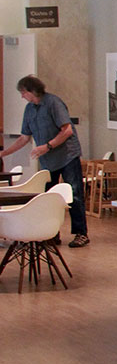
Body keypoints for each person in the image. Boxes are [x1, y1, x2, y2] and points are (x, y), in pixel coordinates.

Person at [0, 75, 89, 247]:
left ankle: (81, 233)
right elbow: (24, 138)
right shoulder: (29, 110)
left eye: (23, 92)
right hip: (49, 160)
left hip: (67, 155)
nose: (22, 96)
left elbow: (67, 130)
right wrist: (3, 153)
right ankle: (51, 233)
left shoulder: (53, 103)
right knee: (49, 197)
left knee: (74, 194)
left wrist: (47, 146)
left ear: (32, 91)